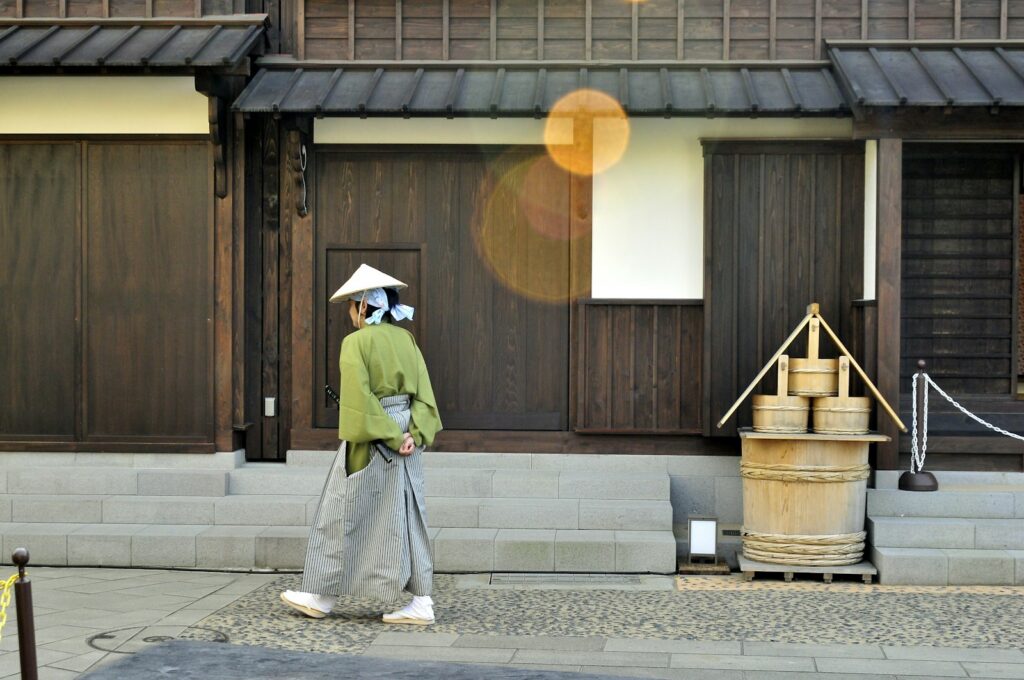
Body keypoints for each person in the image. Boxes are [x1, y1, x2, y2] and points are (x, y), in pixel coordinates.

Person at [280, 264, 442, 625]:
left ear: (364, 307)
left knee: (344, 509)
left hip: (374, 437)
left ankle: (321, 595)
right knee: (408, 514)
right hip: (407, 438)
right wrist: (413, 434)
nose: (351, 315)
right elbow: (425, 395)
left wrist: (388, 435)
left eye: (352, 308)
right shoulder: (407, 340)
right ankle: (422, 601)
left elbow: (359, 399)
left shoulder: (355, 343)